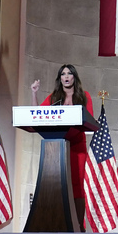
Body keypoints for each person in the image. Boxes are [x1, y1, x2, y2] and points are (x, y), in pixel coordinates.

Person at [30, 64, 95, 223]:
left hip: (76, 146)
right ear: (60, 78)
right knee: (56, 184)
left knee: (76, 184)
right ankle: (55, 221)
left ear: (74, 77)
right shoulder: (54, 97)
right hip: (56, 146)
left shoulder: (84, 96)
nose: (66, 77)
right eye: (63, 74)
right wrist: (34, 93)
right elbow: (37, 115)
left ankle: (78, 224)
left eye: (69, 73)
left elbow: (91, 120)